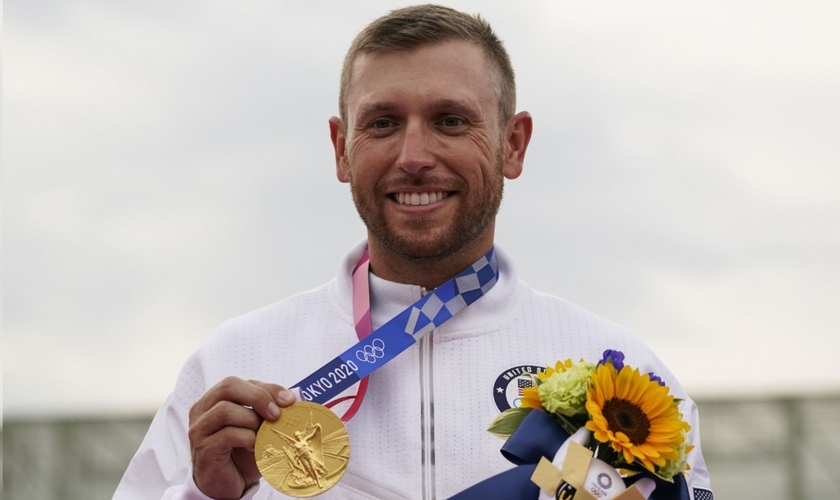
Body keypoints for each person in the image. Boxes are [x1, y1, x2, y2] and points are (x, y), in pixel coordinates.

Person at [114, 5, 714, 500]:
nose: (414, 155)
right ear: (341, 148)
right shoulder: (231, 363)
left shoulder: (626, 378)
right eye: (381, 124)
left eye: (451, 121)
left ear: (514, 143)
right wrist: (205, 496)